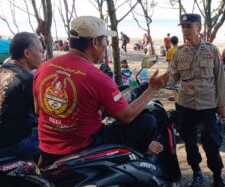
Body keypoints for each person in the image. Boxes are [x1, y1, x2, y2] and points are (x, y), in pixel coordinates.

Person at [33, 16, 171, 167]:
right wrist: (152, 89)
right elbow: (127, 116)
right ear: (95, 42)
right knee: (148, 121)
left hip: (47, 147)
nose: (107, 45)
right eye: (105, 40)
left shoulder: (44, 67)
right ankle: (143, 152)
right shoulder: (97, 77)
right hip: (82, 146)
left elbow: (38, 109)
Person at [169, 13, 225, 187]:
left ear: (199, 28)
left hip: (207, 105)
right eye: (183, 26)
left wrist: (222, 104)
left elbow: (220, 78)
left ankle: (217, 176)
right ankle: (197, 173)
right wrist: (166, 81)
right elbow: (173, 76)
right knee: (189, 141)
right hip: (185, 104)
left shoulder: (211, 50)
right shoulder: (179, 53)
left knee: (211, 142)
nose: (185, 30)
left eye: (189, 26)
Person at [0, 32, 44, 159]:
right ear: (27, 53)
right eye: (41, 51)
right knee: (55, 141)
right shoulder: (26, 80)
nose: (43, 55)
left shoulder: (2, 70)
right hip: (14, 143)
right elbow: (42, 113)